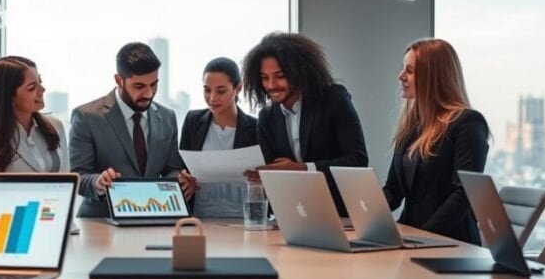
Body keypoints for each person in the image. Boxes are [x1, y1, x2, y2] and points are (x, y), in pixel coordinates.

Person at [243, 32, 368, 216]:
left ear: (299, 72)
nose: (271, 85)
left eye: (280, 75)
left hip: (340, 214)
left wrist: (302, 169)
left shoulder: (334, 99)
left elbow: (358, 160)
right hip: (293, 215)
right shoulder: (267, 118)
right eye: (264, 77)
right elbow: (272, 174)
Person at [382, 38, 490, 245]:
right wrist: (361, 210)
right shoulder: (412, 127)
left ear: (433, 76)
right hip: (413, 237)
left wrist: (424, 237)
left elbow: (464, 193)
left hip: (452, 244)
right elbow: (393, 192)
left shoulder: (467, 123)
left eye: (410, 71)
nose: (400, 76)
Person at [69, 41, 186, 217]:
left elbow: (172, 168)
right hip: (100, 224)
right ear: (119, 80)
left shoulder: (167, 117)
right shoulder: (87, 117)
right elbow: (78, 176)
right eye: (139, 86)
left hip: (154, 218)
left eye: (154, 84)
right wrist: (98, 182)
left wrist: (181, 180)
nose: (149, 94)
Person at [179, 57, 258, 218]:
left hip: (244, 220)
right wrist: (184, 179)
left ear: (238, 88)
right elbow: (181, 168)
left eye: (221, 91)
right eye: (207, 90)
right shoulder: (193, 121)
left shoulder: (256, 128)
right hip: (199, 219)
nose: (212, 98)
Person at [0, 56, 69, 173]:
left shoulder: (55, 126)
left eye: (39, 82)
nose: (42, 89)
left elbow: (67, 178)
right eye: (31, 88)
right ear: (9, 96)